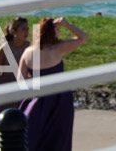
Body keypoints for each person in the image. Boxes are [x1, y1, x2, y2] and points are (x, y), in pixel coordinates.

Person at [18, 15, 87, 151]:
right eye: (58, 30)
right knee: (59, 139)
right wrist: (66, 24)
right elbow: (83, 37)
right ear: (53, 31)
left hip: (37, 99)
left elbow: (21, 81)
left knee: (35, 138)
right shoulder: (57, 49)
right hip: (60, 99)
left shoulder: (28, 52)